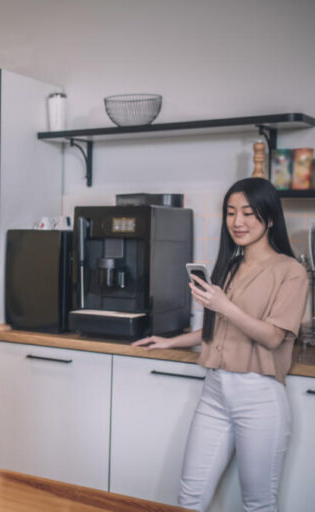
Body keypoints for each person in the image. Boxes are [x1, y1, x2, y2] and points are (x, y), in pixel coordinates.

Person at [132, 178, 308, 512]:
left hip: (259, 397)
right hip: (214, 392)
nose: (237, 222)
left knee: (258, 504)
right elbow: (219, 326)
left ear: (269, 218)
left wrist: (224, 304)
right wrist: (171, 342)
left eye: (248, 212)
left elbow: (273, 336)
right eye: (230, 213)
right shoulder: (230, 265)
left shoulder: (290, 271)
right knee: (190, 498)